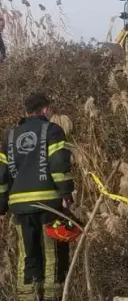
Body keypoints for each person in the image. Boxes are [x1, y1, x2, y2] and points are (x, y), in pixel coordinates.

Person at [0, 93, 73, 301]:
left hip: (20, 208)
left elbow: (2, 173)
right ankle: (53, 298)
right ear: (44, 109)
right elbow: (59, 164)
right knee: (53, 257)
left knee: (27, 257)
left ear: (26, 111)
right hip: (48, 205)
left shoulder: (10, 136)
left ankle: (27, 297)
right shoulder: (52, 130)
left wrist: (2, 205)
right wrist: (66, 193)